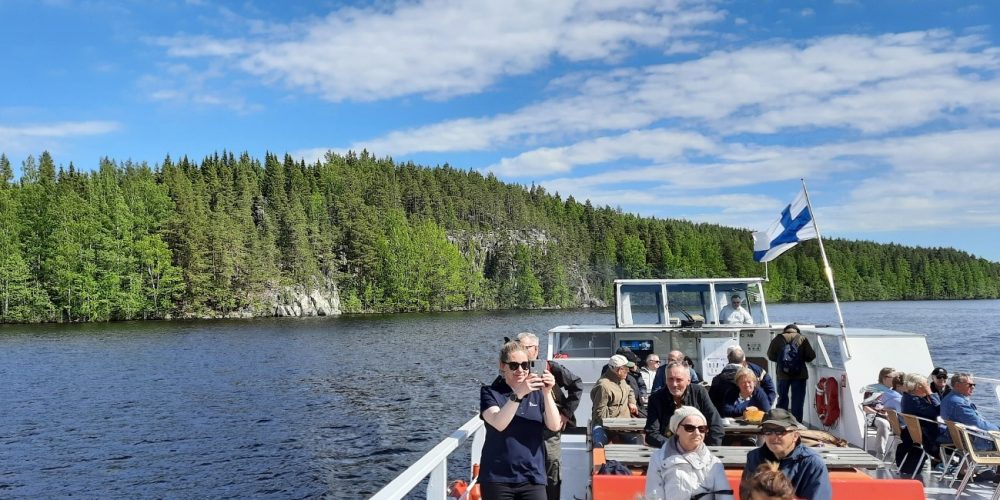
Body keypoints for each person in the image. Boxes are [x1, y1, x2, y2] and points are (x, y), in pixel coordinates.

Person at [479, 341, 561, 500]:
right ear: (502, 366)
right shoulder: (490, 393)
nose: (520, 370)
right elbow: (499, 423)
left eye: (525, 365)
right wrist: (518, 394)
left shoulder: (537, 393)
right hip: (497, 478)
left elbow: (554, 425)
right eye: (514, 366)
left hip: (532, 476)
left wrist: (547, 392)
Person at [514, 332, 583, 500]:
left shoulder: (550, 368)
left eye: (524, 347)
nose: (519, 350)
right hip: (524, 428)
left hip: (549, 429)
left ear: (536, 349)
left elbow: (577, 385)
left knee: (551, 466)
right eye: (517, 346)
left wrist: (565, 414)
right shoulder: (514, 370)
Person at [644, 406, 733, 500]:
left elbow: (725, 497)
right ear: (677, 430)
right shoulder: (658, 459)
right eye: (689, 428)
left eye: (702, 428)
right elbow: (654, 496)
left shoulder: (714, 463)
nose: (697, 433)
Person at [742, 409, 832, 500]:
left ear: (795, 436)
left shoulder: (812, 463)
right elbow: (745, 494)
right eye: (767, 431)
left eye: (780, 431)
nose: (773, 436)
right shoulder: (754, 457)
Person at [645, 361, 725, 448]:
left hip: (697, 449)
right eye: (670, 379)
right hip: (668, 450)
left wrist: (709, 450)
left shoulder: (699, 393)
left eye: (679, 380)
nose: (674, 384)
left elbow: (716, 426)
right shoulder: (656, 398)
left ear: (688, 381)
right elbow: (651, 433)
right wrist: (676, 447)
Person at [766, 324, 816, 422]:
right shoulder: (802, 338)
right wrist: (800, 359)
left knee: (782, 399)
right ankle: (796, 423)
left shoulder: (778, 339)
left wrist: (782, 362)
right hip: (800, 374)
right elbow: (811, 356)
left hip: (782, 374)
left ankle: (781, 422)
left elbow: (770, 356)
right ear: (797, 330)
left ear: (785, 330)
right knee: (797, 400)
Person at [940, 372, 1000, 450]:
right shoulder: (959, 404)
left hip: (958, 439)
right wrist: (998, 430)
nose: (973, 387)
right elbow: (978, 424)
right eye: (970, 385)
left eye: (974, 385)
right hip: (975, 443)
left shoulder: (948, 399)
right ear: (958, 385)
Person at [898, 372, 944, 472]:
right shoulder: (916, 401)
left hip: (920, 434)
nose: (928, 386)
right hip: (930, 437)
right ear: (919, 386)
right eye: (926, 384)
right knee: (960, 436)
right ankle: (961, 467)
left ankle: (942, 460)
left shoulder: (907, 398)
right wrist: (930, 393)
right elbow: (940, 411)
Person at [591, 354, 640, 447]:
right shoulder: (604, 386)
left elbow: (629, 390)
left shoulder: (621, 380)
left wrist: (632, 402)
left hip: (624, 424)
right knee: (599, 446)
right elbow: (600, 413)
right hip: (607, 426)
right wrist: (614, 429)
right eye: (626, 368)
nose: (628, 371)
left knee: (638, 444)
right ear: (618, 370)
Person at [708, 346, 776, 411]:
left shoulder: (717, 379)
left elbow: (711, 402)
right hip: (751, 414)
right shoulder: (754, 375)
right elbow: (770, 389)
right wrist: (766, 406)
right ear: (743, 358)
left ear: (728, 358)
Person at [860, 367, 901, 458]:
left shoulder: (896, 391)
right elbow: (865, 407)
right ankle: (880, 454)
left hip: (893, 416)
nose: (896, 379)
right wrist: (880, 414)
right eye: (894, 377)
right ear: (884, 378)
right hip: (876, 417)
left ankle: (897, 455)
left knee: (905, 425)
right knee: (884, 424)